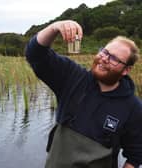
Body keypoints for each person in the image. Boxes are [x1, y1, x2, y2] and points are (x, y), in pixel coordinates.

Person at [25, 20, 142, 168]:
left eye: (114, 58)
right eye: (104, 52)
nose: (104, 59)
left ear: (126, 70)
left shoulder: (134, 108)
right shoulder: (72, 77)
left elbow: (135, 155)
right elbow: (35, 54)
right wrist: (55, 27)